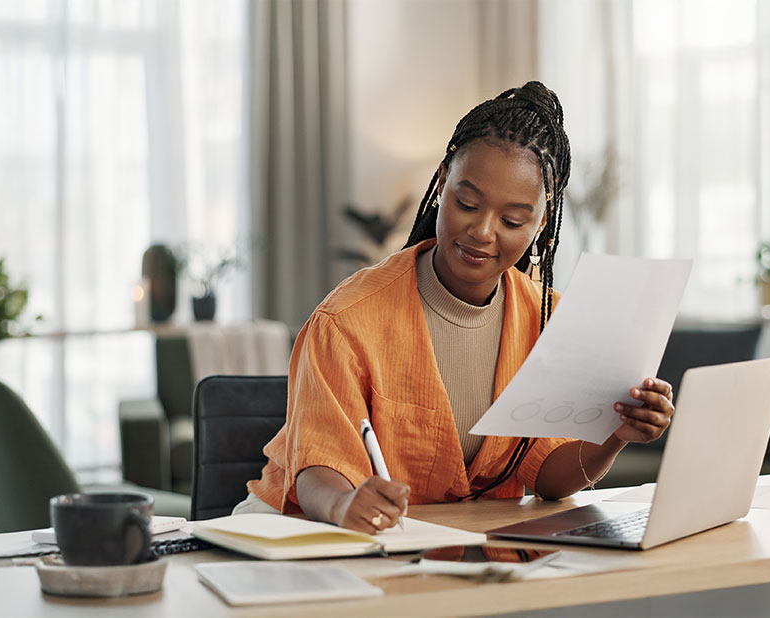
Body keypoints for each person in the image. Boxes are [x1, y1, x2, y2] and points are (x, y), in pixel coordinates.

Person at [239, 81, 675, 534]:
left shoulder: (549, 322)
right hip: (305, 530)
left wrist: (616, 435)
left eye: (512, 220)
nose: (483, 232)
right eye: (467, 203)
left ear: (541, 223)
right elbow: (317, 468)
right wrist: (345, 503)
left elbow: (548, 479)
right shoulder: (347, 320)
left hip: (449, 539)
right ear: (443, 181)